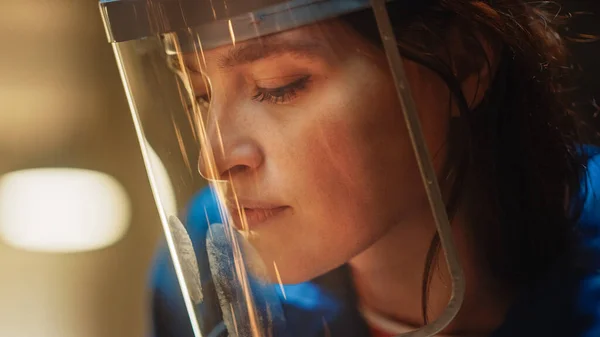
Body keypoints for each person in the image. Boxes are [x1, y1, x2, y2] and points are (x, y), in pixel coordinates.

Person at [99, 0, 600, 336]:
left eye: (280, 84)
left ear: (465, 62)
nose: (213, 160)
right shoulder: (212, 264)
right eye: (199, 95)